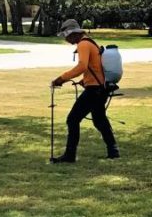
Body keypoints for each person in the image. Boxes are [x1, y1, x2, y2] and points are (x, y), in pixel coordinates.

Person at [50, 18, 120, 163]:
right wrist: (84, 81)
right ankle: (113, 151)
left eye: (66, 36)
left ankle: (70, 155)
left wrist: (61, 79)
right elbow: (94, 68)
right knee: (99, 120)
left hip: (94, 90)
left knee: (72, 119)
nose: (66, 40)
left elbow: (82, 66)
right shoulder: (90, 42)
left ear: (73, 33)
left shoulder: (83, 44)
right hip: (100, 88)